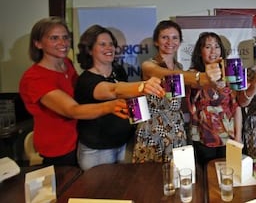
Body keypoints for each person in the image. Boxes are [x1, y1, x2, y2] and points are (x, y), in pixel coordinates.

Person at [19, 17, 128, 166]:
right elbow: (72, 110)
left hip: (81, 138)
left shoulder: (66, 64)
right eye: (54, 38)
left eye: (65, 37)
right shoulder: (34, 78)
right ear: (38, 43)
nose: (62, 43)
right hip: (59, 148)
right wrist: (112, 106)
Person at [75, 24, 165, 170]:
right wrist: (142, 86)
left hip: (124, 144)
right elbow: (114, 90)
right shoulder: (87, 80)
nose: (109, 48)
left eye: (111, 44)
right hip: (98, 150)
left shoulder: (117, 69)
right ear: (90, 49)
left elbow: (126, 98)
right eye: (102, 44)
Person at [132, 20, 222, 163]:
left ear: (180, 42)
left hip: (176, 127)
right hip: (154, 127)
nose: (170, 42)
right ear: (156, 41)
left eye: (175, 38)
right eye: (164, 37)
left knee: (175, 175)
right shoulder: (149, 65)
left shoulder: (179, 66)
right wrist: (201, 77)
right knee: (150, 176)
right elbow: (167, 75)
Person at [187, 32, 242, 167]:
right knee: (207, 175)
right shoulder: (193, 75)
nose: (213, 51)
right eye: (208, 47)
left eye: (216, 47)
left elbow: (236, 107)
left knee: (228, 173)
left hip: (228, 136)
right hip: (202, 136)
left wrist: (238, 137)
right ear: (200, 52)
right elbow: (190, 101)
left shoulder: (229, 74)